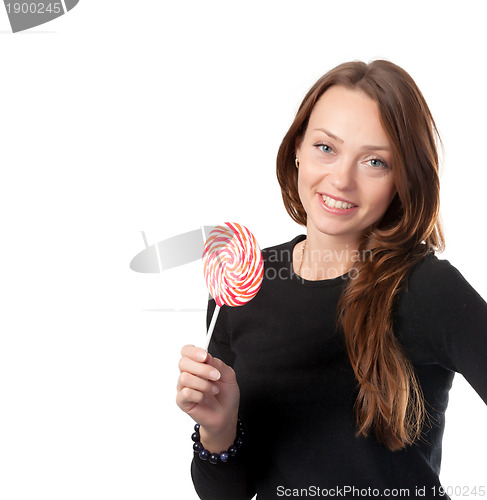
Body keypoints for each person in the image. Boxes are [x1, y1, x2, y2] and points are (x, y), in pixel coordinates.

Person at [175, 60, 487, 499]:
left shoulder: (425, 289)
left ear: (402, 180)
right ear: (298, 147)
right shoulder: (243, 283)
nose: (341, 180)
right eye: (326, 148)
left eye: (375, 161)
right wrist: (218, 428)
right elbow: (227, 493)